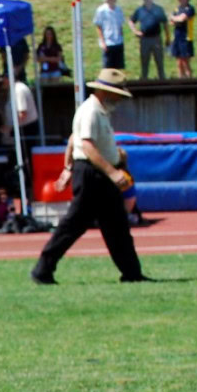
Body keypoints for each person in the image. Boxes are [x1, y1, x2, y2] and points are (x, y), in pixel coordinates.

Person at [29, 68, 144, 286]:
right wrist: (112, 171)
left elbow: (74, 139)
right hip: (94, 174)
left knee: (116, 224)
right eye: (117, 94)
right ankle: (42, 268)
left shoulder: (97, 111)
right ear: (106, 92)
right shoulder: (91, 111)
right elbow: (87, 145)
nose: (119, 99)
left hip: (98, 172)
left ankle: (132, 272)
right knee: (74, 224)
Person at [131, 0, 169, 80]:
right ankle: (144, 81)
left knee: (159, 61)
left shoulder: (158, 9)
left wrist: (168, 37)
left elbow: (165, 24)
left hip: (156, 39)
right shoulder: (139, 10)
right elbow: (131, 20)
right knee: (144, 62)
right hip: (144, 39)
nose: (147, 1)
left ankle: (162, 80)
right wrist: (135, 31)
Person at [94, 0, 128, 70]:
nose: (113, 0)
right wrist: (102, 42)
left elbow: (120, 25)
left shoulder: (118, 10)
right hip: (108, 42)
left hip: (118, 41)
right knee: (108, 66)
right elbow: (98, 26)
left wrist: (121, 38)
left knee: (119, 66)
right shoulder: (101, 10)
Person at [169, 0, 197, 78]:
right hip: (177, 37)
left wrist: (174, 18)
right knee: (179, 61)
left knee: (186, 61)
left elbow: (181, 19)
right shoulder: (177, 9)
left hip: (186, 37)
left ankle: (189, 79)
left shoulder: (190, 8)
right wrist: (174, 19)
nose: (182, 0)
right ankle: (181, 79)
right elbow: (171, 22)